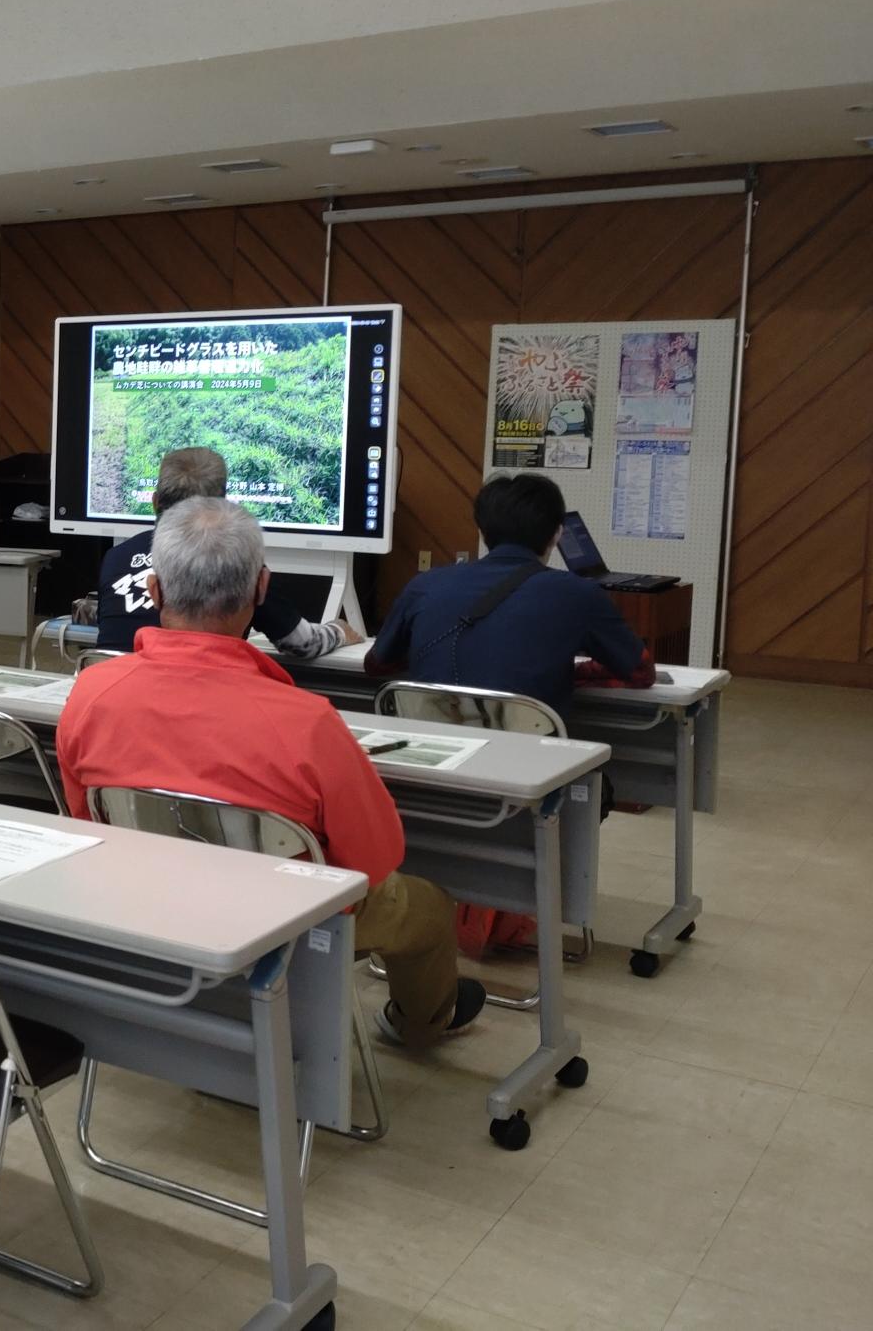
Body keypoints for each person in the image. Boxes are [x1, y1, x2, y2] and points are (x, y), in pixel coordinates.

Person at [58, 497, 483, 1046]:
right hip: (285, 919)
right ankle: (420, 1026)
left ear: (155, 591)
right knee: (426, 908)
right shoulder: (307, 721)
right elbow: (375, 861)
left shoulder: (91, 692)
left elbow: (82, 819)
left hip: (144, 900)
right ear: (262, 590)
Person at [368, 473, 652, 718]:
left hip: (432, 759)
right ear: (557, 533)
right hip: (529, 767)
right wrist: (569, 672)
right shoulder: (579, 593)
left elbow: (377, 663)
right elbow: (640, 672)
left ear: (482, 532)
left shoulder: (424, 585)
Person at [95, 445, 362, 659]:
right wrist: (338, 631)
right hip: (191, 695)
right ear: (222, 504)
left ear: (155, 502)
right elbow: (303, 644)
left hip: (111, 696)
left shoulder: (117, 557)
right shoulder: (236, 559)